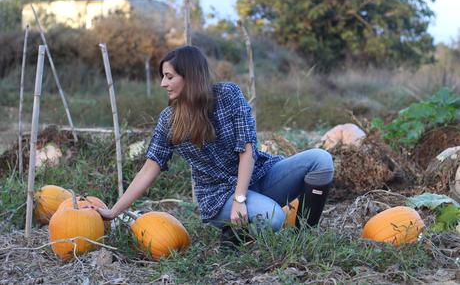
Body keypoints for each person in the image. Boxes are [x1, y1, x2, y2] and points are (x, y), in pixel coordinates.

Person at [97, 45, 334, 244]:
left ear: (190, 77)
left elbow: (247, 148)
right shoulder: (168, 121)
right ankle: (233, 235)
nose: (162, 83)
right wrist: (113, 211)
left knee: (321, 160)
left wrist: (241, 198)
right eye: (163, 77)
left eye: (169, 77)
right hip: (219, 195)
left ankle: (304, 237)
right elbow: (149, 169)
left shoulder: (228, 95)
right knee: (273, 219)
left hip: (259, 175)